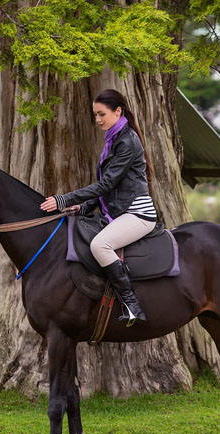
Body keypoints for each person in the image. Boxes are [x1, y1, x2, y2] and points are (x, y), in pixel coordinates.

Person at [40, 89, 157, 326]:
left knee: (100, 245)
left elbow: (107, 183)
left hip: (138, 213)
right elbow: (109, 189)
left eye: (101, 114)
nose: (98, 120)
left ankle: (132, 305)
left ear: (118, 111)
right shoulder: (113, 139)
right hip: (120, 212)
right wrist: (82, 208)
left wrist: (65, 200)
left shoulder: (127, 141)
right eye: (95, 115)